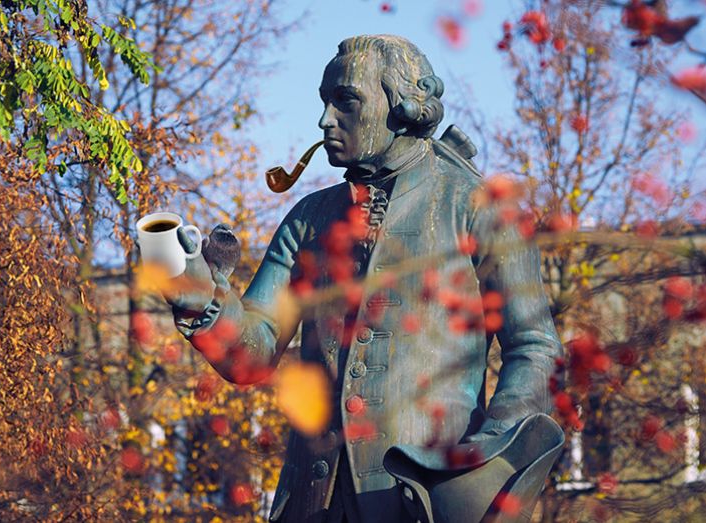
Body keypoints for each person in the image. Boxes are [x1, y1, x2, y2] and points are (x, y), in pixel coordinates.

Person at [168, 34, 563, 523]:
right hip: (313, 505)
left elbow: (536, 348)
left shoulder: (476, 207)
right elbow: (253, 352)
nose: (325, 120)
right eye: (324, 101)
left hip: (426, 502)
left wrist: (483, 463)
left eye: (345, 100)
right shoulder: (308, 218)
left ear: (402, 106)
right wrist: (202, 296)